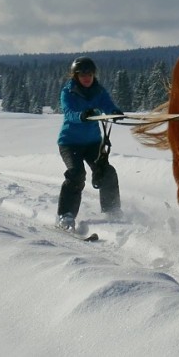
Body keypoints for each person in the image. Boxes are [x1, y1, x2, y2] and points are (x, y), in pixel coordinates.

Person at [55, 56, 123, 231]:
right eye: (83, 74)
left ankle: (112, 211)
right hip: (69, 143)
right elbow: (69, 113)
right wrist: (82, 116)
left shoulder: (98, 91)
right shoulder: (67, 92)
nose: (87, 77)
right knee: (76, 174)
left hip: (93, 143)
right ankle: (65, 216)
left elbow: (107, 105)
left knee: (107, 171)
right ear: (76, 75)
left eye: (90, 74)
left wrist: (114, 112)